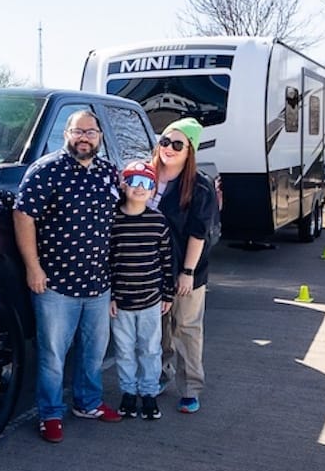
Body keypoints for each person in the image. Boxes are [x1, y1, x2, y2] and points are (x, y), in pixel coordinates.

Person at [14, 109, 123, 444]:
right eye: (78, 131)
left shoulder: (108, 173)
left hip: (98, 283)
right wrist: (33, 267)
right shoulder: (46, 170)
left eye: (91, 132)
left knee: (93, 351)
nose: (84, 137)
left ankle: (88, 403)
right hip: (55, 285)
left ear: (100, 137)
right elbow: (23, 215)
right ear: (66, 134)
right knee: (52, 355)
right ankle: (50, 414)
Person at [150, 117, 216, 414]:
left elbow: (197, 233)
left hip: (185, 269)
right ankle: (162, 375)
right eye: (165, 141)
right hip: (150, 270)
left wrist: (187, 272)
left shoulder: (199, 185)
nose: (169, 148)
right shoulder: (144, 176)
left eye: (178, 144)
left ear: (190, 150)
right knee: (159, 330)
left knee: (186, 328)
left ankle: (190, 388)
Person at [109, 161, 173, 420]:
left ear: (153, 190)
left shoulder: (158, 221)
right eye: (134, 181)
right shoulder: (112, 220)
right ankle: (128, 392)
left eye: (146, 183)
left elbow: (166, 259)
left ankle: (148, 394)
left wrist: (167, 293)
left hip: (150, 300)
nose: (140, 188)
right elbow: (107, 260)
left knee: (150, 348)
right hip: (121, 302)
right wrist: (110, 295)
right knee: (124, 350)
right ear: (124, 185)